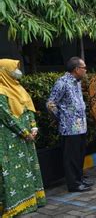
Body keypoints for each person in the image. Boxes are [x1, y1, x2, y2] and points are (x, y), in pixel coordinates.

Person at [0, 59, 46, 216]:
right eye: (13, 69)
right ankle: (16, 206)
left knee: (28, 166)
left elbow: (28, 108)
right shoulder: (1, 91)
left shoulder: (19, 88)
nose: (17, 72)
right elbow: (6, 116)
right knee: (13, 171)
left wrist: (33, 126)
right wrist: (24, 132)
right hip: (11, 139)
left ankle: (32, 200)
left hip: (26, 138)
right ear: (4, 71)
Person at [47, 57, 92, 192]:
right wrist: (62, 118)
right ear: (76, 69)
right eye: (84, 68)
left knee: (79, 155)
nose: (85, 70)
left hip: (81, 127)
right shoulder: (62, 83)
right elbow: (50, 104)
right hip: (69, 128)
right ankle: (74, 184)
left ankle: (79, 179)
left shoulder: (77, 82)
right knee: (71, 157)